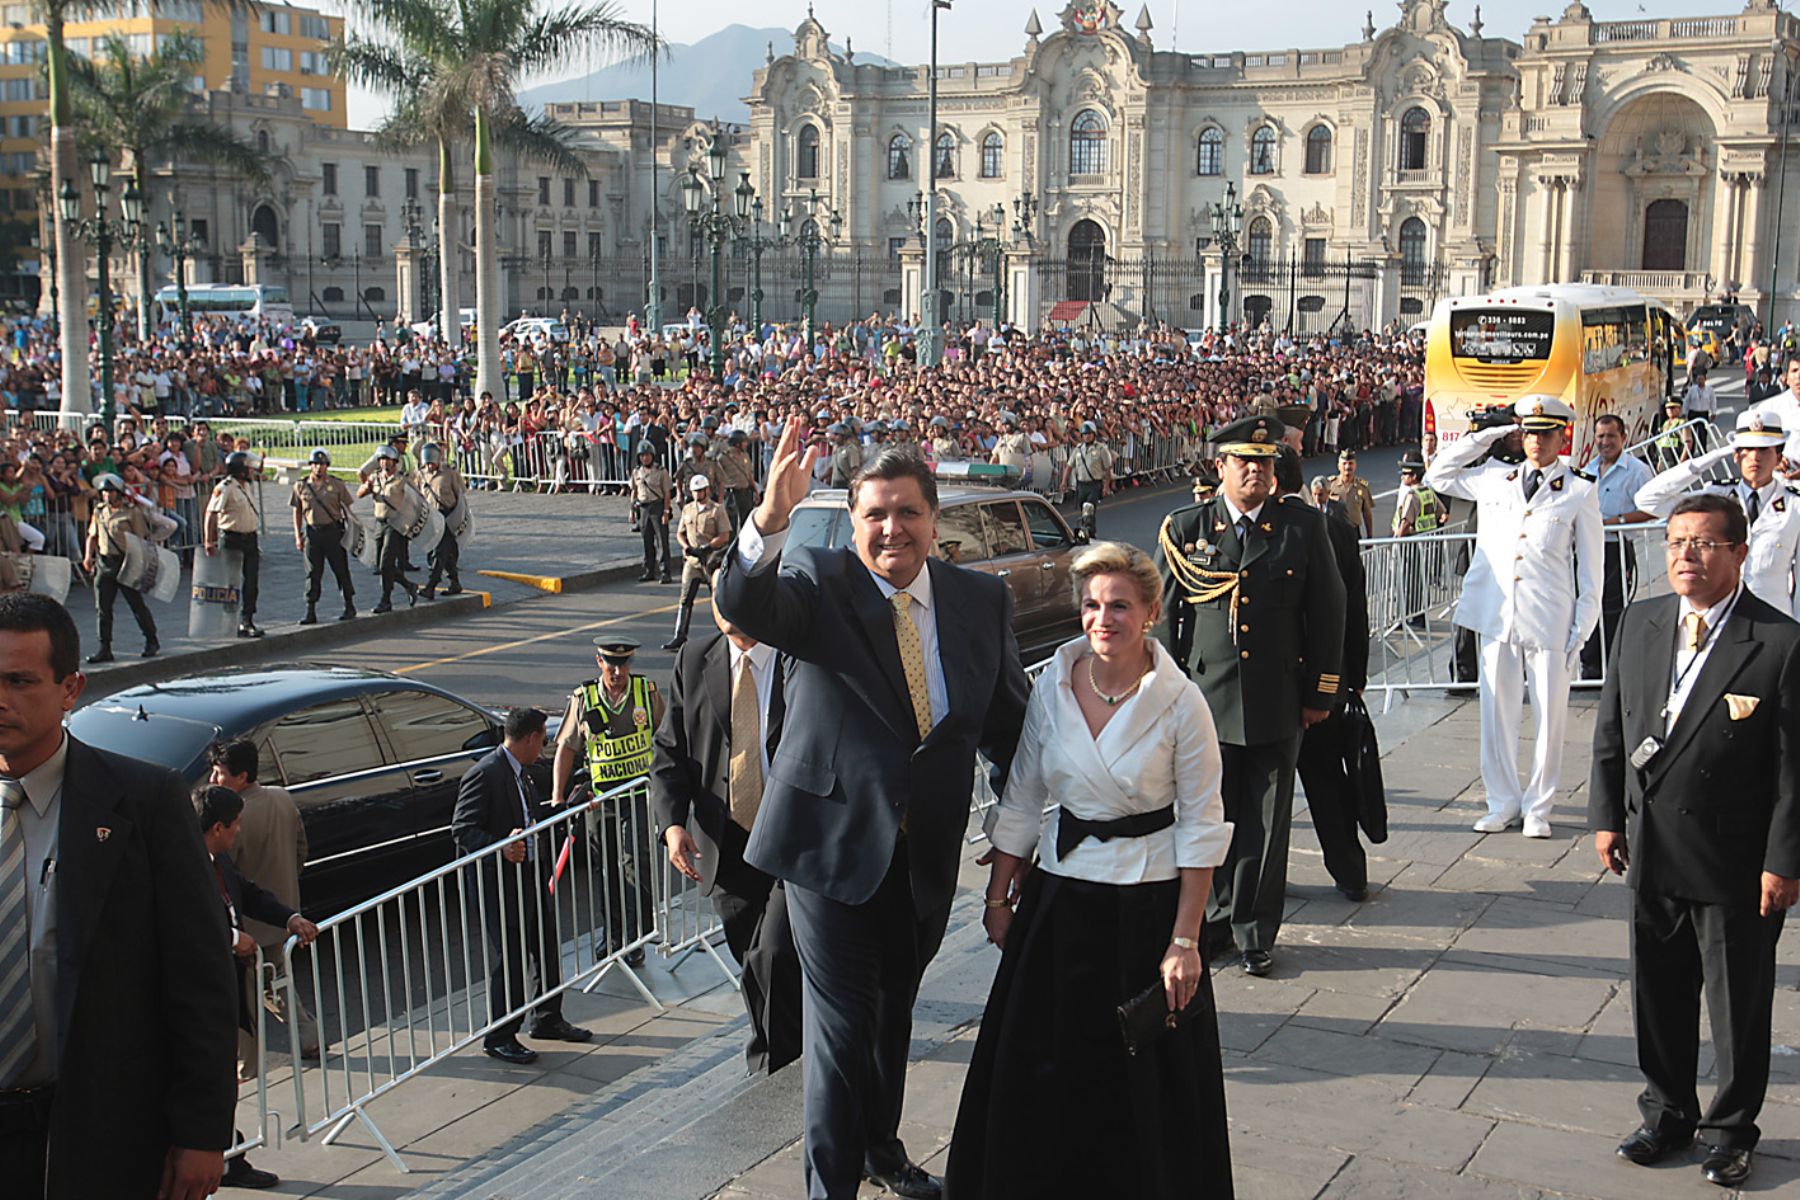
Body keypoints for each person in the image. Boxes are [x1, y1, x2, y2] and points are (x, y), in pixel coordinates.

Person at [716, 424, 1029, 1200]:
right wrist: (769, 520)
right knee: (841, 1030)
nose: (893, 529)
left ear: (934, 518)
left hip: (922, 860)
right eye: (876, 516)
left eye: (908, 513)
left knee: (894, 1017)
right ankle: (832, 1189)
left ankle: (881, 1151)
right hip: (829, 854)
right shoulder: (818, 586)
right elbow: (741, 600)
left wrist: (1024, 831)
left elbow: (1011, 727)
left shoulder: (979, 600)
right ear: (853, 525)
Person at [947, 541, 1233, 1199]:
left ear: (1151, 612)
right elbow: (1021, 792)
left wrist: (1185, 942)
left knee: (1139, 1079)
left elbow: (1200, 827)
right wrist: (997, 898)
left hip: (1148, 905)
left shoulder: (1181, 702)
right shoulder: (1053, 682)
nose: (1103, 619)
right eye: (1092, 606)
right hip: (1061, 900)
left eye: (1120, 606)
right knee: (1043, 1067)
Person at [1590, 493, 1800, 1190]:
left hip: (1734, 860)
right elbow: (1612, 734)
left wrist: (1784, 860)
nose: (1686, 555)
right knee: (1658, 990)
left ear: (1739, 553)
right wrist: (1605, 818)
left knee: (1738, 1004)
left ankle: (1732, 1129)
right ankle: (1667, 1112)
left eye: (1706, 543)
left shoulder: (1777, 642)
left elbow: (1795, 770)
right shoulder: (1641, 623)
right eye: (1677, 541)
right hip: (1651, 847)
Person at [0, 593, 237, 1199]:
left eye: (19, 681)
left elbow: (200, 979)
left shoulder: (144, 802)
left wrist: (203, 1133)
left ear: (70, 688)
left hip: (98, 1137)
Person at [1154, 414, 1345, 977]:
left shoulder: (1300, 529)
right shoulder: (1187, 529)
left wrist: (1320, 694)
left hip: (1275, 699)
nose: (1257, 473)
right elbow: (1167, 621)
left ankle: (1255, 930)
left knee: (1265, 820)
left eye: (1264, 464)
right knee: (1207, 816)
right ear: (1220, 468)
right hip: (1203, 702)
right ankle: (1208, 923)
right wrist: (1164, 696)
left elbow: (1327, 614)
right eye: (1245, 463)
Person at [1424, 394, 1603, 837]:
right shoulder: (1493, 478)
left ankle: (1539, 806)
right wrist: (1490, 433)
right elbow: (1438, 472)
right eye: (1529, 433)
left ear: (1563, 437)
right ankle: (1501, 801)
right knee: (1496, 714)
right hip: (1497, 615)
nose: (1536, 442)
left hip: (1550, 618)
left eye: (1545, 434)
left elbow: (1592, 570)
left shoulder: (1579, 491)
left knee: (1550, 717)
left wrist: (1581, 629)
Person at [650, 586, 803, 1074]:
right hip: (727, 841)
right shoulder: (695, 661)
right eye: (719, 597)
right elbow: (669, 754)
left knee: (775, 951)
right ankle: (777, 1045)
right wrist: (672, 824)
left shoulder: (798, 658)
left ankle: (777, 1059)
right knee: (750, 958)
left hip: (791, 836)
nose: (729, 608)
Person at [194, 784, 319, 1191]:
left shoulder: (219, 860)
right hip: (199, 997)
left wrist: (289, 918)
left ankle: (228, 1152)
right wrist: (233, 940)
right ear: (217, 827)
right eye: (235, 826)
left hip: (227, 991)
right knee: (209, 1081)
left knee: (223, 1080)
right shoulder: (181, 865)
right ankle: (222, 1155)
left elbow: (247, 893)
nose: (238, 832)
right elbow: (184, 923)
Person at [453, 706, 592, 1065]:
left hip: (530, 878)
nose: (544, 747)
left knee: (545, 949)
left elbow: (529, 819)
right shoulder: (484, 774)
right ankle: (499, 1034)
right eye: (543, 739)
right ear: (530, 737)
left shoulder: (521, 774)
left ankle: (547, 1018)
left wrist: (568, 807)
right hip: (500, 887)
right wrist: (501, 847)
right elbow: (463, 829)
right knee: (512, 959)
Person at [1282, 447, 1373, 901]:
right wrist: (1355, 670)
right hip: (1328, 679)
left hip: (1281, 683)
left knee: (1271, 791)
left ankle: (1264, 879)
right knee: (1328, 780)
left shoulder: (1291, 529)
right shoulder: (1336, 526)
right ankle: (1350, 872)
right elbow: (1357, 607)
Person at [550, 636, 664, 968]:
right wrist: (558, 797)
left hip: (638, 792)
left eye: (623, 664)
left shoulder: (646, 692)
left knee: (633, 862)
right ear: (599, 663)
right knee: (607, 868)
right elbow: (567, 748)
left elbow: (668, 735)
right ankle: (612, 936)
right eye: (610, 664)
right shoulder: (584, 698)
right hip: (600, 798)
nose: (617, 671)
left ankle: (637, 936)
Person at [207, 739, 319, 1075]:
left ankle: (250, 1064)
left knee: (253, 998)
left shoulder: (229, 821)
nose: (214, 780)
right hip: (282, 910)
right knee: (277, 981)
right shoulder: (281, 798)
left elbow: (232, 879)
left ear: (241, 776)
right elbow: (301, 847)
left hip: (250, 925)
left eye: (219, 773)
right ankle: (307, 1037)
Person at [1636, 410, 1800, 617]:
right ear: (1735, 454)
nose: (1755, 457)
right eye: (1746, 449)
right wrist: (1711, 457)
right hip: (1719, 618)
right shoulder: (1715, 497)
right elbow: (1647, 499)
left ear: (1778, 456)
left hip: (1773, 621)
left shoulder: (1794, 505)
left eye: (1764, 450)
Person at [1580, 413, 1655, 679]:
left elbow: (1653, 509)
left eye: (1611, 436)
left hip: (1616, 549)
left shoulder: (1638, 471)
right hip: (1587, 549)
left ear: (1624, 437)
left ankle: (1613, 668)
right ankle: (1590, 666)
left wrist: (1616, 521)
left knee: (1613, 609)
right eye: (1600, 436)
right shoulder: (1586, 471)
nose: (1605, 442)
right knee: (1587, 604)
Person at [80, 472, 159, 663]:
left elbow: (140, 539)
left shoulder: (131, 512)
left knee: (136, 605)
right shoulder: (99, 511)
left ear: (119, 493)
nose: (107, 495)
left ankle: (151, 639)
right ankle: (104, 647)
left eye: (111, 491)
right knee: (103, 608)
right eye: (104, 492)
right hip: (105, 562)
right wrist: (88, 557)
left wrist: (140, 564)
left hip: (126, 562)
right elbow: (93, 535)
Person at [289, 448, 357, 624]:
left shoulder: (337, 485)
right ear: (310, 466)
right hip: (313, 533)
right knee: (312, 572)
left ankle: (349, 604)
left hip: (333, 532)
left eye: (323, 464)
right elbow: (297, 512)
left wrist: (354, 532)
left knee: (340, 569)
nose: (319, 468)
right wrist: (298, 535)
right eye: (315, 464)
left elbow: (348, 510)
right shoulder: (301, 486)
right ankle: (310, 610)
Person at [665, 474, 731, 651]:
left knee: (718, 598)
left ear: (707, 490)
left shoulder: (717, 510)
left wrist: (708, 547)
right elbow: (680, 533)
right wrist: (686, 547)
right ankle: (679, 635)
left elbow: (725, 535)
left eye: (700, 491)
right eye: (694, 491)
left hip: (711, 560)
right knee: (685, 599)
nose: (697, 494)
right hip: (693, 561)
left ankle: (725, 633)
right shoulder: (688, 510)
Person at [203, 450, 263, 639]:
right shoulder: (225, 487)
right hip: (231, 538)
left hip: (250, 538)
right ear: (240, 470)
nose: (252, 471)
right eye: (248, 468)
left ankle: (247, 620)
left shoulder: (246, 486)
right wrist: (208, 540)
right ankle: (229, 621)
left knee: (251, 581)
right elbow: (211, 513)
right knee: (231, 583)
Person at [358, 445, 420, 613]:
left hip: (396, 524)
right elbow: (359, 493)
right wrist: (367, 487)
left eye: (388, 460)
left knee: (386, 563)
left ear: (395, 462)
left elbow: (417, 499)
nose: (384, 463)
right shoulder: (375, 478)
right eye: (382, 460)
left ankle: (385, 600)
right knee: (381, 564)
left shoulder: (402, 480)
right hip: (379, 523)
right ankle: (409, 585)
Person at [416, 441, 466, 601]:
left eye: (432, 460)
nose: (430, 464)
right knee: (445, 553)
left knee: (440, 551)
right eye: (427, 461)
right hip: (432, 516)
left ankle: (431, 585)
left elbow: (461, 494)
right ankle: (455, 582)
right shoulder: (420, 475)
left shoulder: (450, 473)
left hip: (447, 515)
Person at [631, 443, 674, 583]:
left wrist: (666, 511)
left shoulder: (661, 471)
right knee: (646, 540)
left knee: (662, 540)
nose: (645, 458)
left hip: (657, 506)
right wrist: (631, 511)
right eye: (642, 456)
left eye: (648, 455)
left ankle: (665, 572)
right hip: (643, 508)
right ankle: (649, 570)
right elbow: (634, 491)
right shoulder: (636, 472)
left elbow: (667, 493)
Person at [1068, 420, 1114, 535]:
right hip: (1081, 485)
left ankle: (1089, 531)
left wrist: (1106, 486)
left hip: (1094, 484)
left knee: (1089, 508)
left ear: (1094, 434)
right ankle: (1087, 528)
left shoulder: (1101, 449)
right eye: (1084, 435)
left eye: (1089, 434)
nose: (1087, 437)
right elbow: (1069, 466)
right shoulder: (1078, 449)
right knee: (1084, 510)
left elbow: (1108, 468)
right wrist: (1064, 481)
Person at [714, 428, 758, 532]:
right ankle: (731, 546)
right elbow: (718, 478)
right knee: (731, 524)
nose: (745, 444)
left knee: (747, 522)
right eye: (743, 442)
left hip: (745, 492)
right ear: (737, 443)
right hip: (731, 494)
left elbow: (749, 475)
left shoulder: (745, 456)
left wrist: (755, 490)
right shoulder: (723, 458)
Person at [1326, 449, 1374, 538]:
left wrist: (1369, 535)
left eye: (1351, 463)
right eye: (1344, 464)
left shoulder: (1362, 487)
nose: (1347, 467)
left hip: (1353, 531)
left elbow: (1367, 513)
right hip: (1334, 531)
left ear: (1355, 466)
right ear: (1338, 466)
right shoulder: (1330, 484)